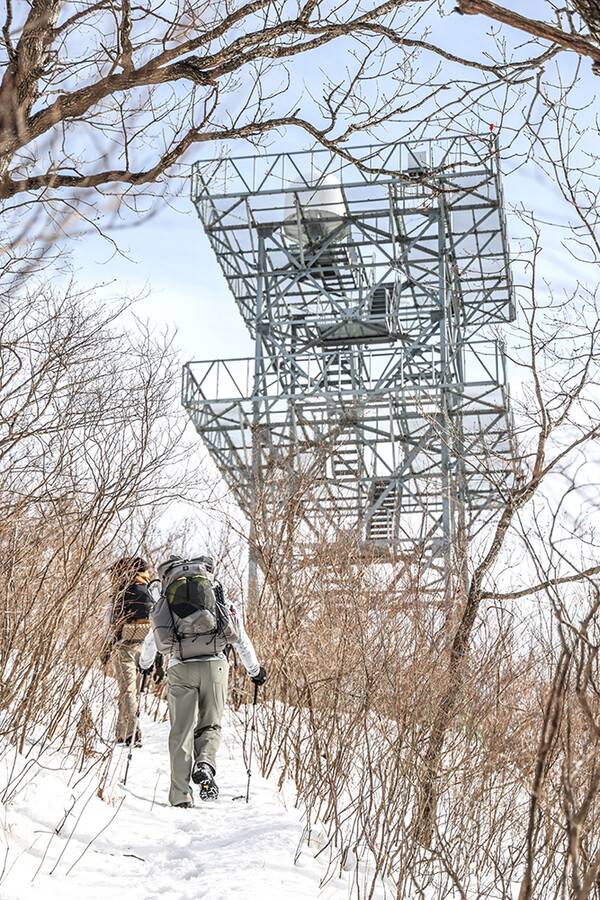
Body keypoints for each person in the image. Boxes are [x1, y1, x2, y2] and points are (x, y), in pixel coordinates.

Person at [149, 555, 267, 808]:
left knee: (181, 731)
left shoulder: (166, 599)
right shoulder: (217, 595)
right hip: (215, 665)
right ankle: (204, 763)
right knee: (210, 724)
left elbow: (154, 637)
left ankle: (180, 796)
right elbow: (240, 638)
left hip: (180, 666)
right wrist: (255, 670)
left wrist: (145, 663)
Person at [100, 556, 164, 746]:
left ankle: (131, 732)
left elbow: (110, 623)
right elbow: (158, 626)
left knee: (127, 690)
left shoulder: (122, 592)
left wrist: (106, 650)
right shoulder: (150, 591)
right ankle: (122, 732)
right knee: (131, 691)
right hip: (145, 646)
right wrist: (158, 659)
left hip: (124, 645)